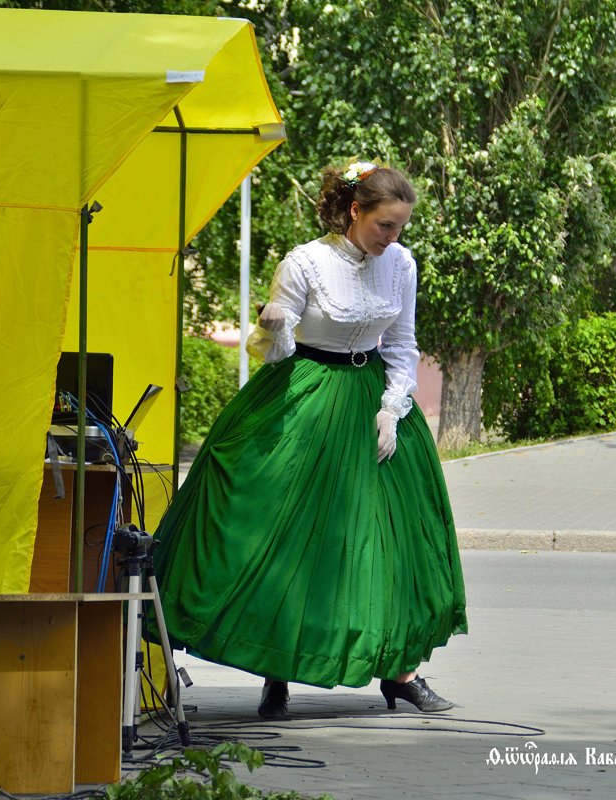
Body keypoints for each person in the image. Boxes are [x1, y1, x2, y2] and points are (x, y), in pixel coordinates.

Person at [150, 161, 467, 718]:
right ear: (354, 211)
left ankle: (401, 674)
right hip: (305, 398)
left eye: (399, 228)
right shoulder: (305, 262)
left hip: (373, 402)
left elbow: (401, 341)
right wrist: (272, 326)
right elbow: (272, 351)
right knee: (287, 535)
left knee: (396, 546)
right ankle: (278, 672)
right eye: (384, 226)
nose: (392, 238)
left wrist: (394, 407)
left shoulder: (401, 264)